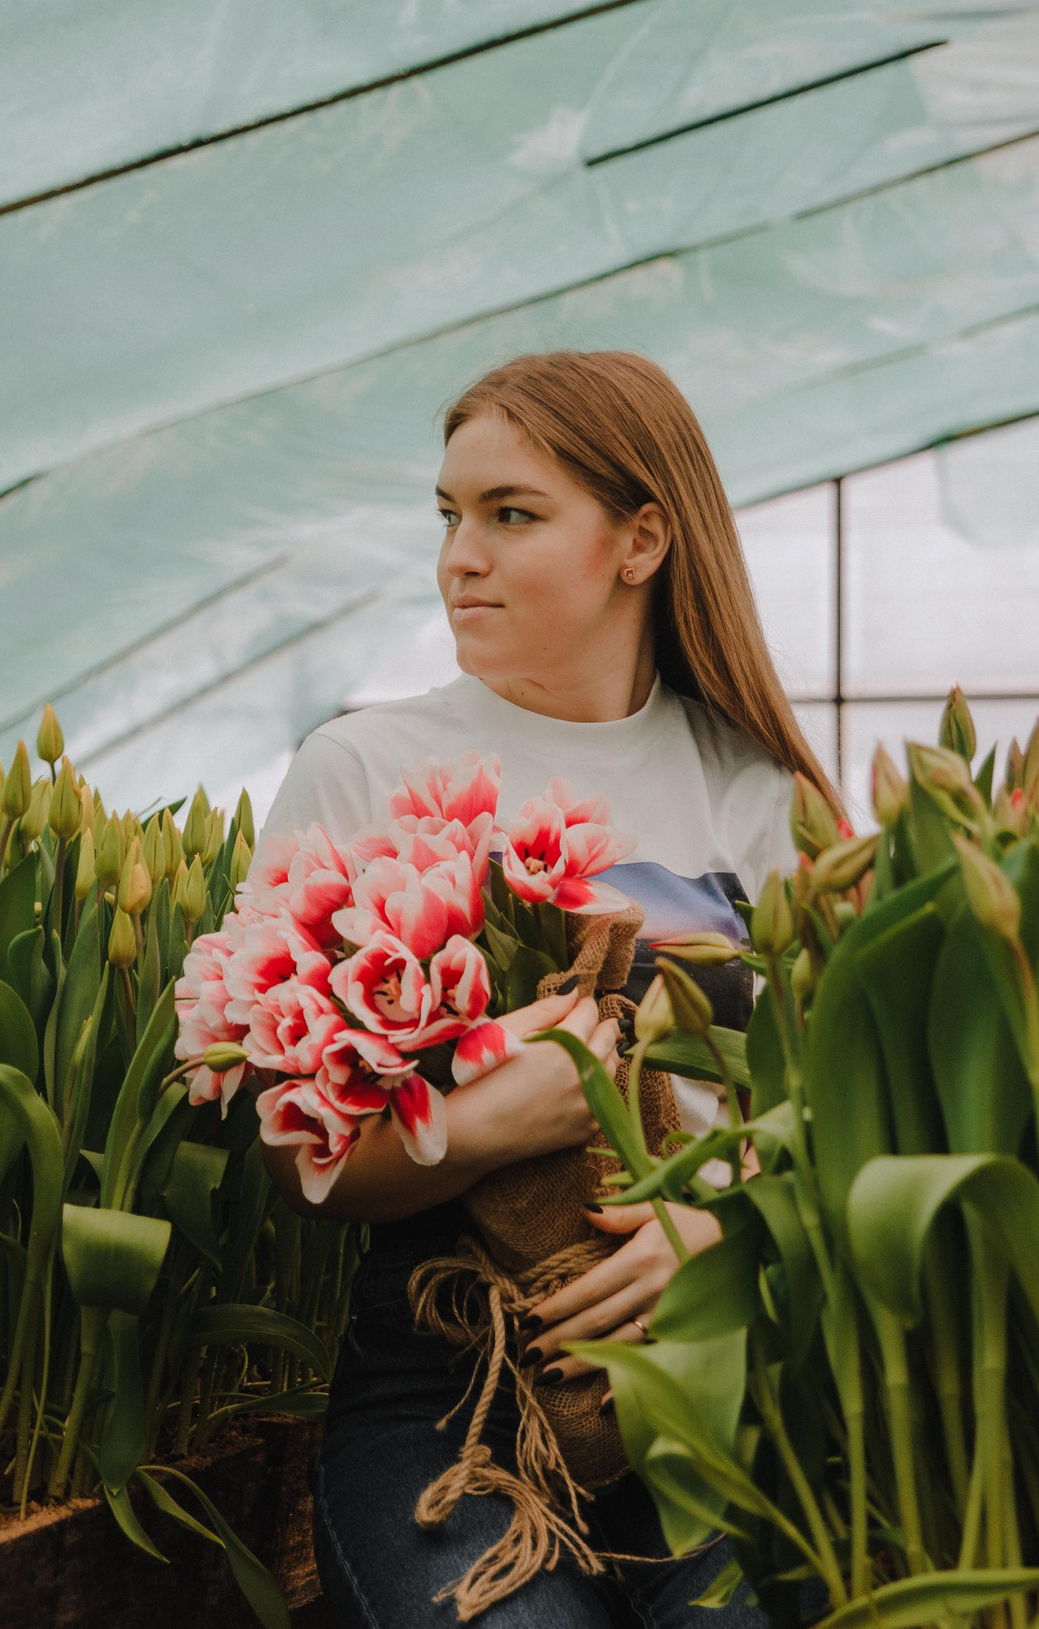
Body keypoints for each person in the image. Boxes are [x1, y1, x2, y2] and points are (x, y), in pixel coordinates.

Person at [254, 350, 839, 1629]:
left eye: (510, 515)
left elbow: (839, 1117)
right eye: (448, 515)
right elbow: (297, 1162)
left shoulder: (757, 790)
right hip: (447, 1395)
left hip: (709, 1375)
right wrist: (489, 1127)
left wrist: (728, 1225)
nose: (460, 555)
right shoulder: (360, 770)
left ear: (640, 542)